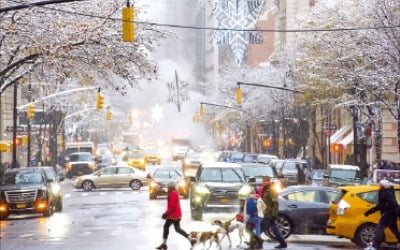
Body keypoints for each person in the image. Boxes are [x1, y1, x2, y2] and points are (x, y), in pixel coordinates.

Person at [364, 179, 400, 249]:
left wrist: (398, 212)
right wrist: (369, 211)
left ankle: (374, 246)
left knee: (379, 229)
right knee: (395, 231)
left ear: (383, 186)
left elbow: (394, 203)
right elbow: (380, 205)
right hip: (390, 215)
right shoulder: (386, 192)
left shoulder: (387, 193)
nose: (379, 186)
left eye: (380, 185)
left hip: (387, 215)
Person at [156, 181, 192, 250]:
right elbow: (171, 206)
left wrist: (166, 213)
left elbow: (171, 206)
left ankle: (190, 238)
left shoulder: (173, 193)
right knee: (170, 228)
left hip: (174, 215)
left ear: (171, 187)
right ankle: (164, 244)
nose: (167, 188)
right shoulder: (172, 192)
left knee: (176, 229)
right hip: (172, 214)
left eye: (168, 186)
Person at [260, 176, 287, 249]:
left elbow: (275, 203)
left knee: (260, 228)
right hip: (265, 212)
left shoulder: (271, 190)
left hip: (269, 214)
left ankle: (253, 241)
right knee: (275, 229)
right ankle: (283, 243)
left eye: (265, 181)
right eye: (263, 181)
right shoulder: (265, 189)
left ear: (268, 181)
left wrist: (274, 214)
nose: (263, 182)